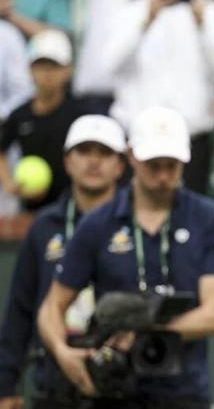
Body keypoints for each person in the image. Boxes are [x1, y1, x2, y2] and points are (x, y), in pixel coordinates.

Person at [37, 107, 214, 408]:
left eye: (172, 165)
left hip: (184, 388)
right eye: (153, 165)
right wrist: (64, 354)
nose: (163, 175)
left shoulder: (211, 219)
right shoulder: (97, 224)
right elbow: (53, 305)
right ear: (131, 157)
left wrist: (142, 332)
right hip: (114, 388)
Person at [0, 115, 126, 409]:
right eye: (84, 152)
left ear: (121, 164)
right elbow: (21, 306)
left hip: (121, 378)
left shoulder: (135, 222)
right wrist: (6, 383)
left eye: (104, 153)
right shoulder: (45, 226)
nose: (93, 162)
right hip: (55, 376)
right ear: (67, 161)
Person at [104, 0, 214, 194]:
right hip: (139, 135)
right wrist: (146, 20)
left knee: (192, 215)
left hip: (192, 135)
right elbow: (110, 65)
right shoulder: (130, 12)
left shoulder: (210, 13)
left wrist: (202, 25)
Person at [0, 29, 88, 211]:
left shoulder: (80, 113)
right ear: (30, 70)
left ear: (68, 70)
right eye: (40, 65)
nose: (47, 73)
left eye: (54, 66)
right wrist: (9, 184)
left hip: (75, 206)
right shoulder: (19, 115)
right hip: (31, 209)